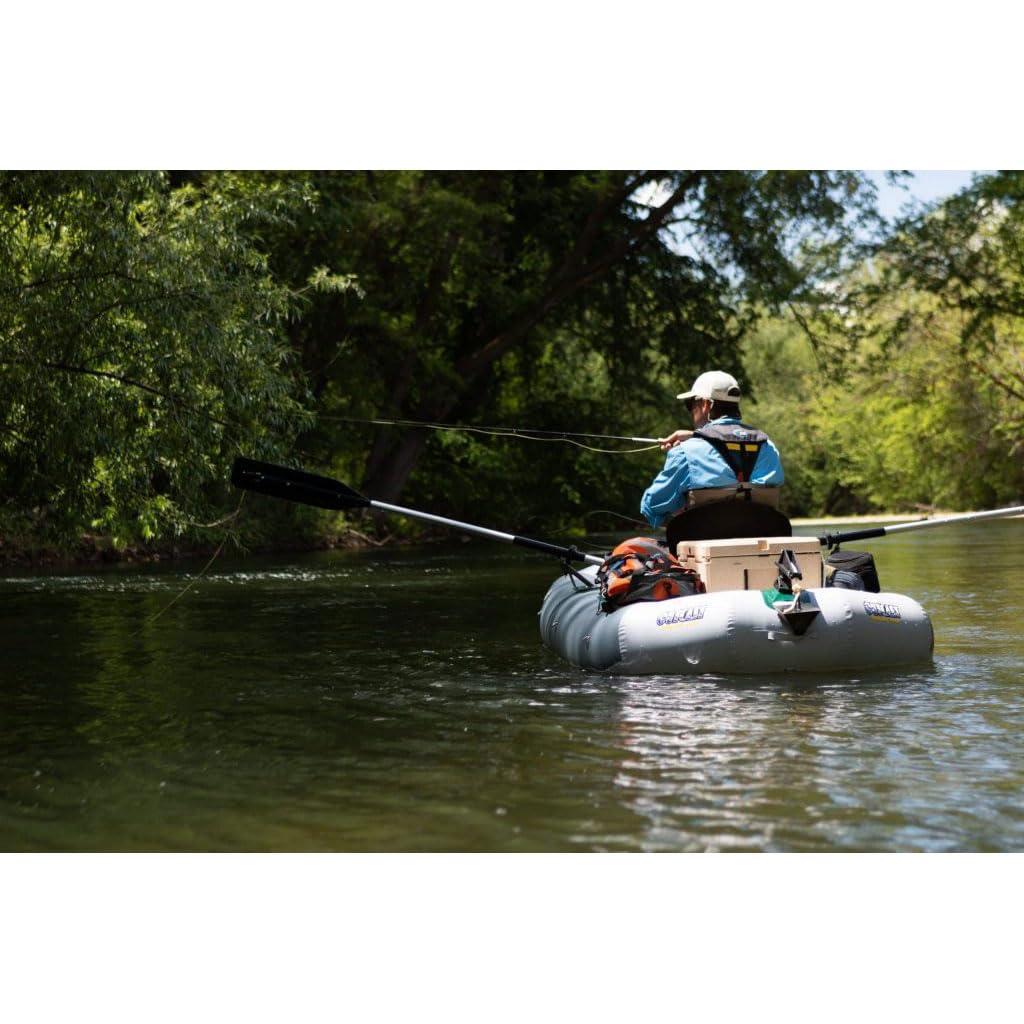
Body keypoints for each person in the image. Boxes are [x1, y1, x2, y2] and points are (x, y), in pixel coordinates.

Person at [641, 370, 786, 544]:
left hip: (700, 554)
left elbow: (652, 506)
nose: (690, 411)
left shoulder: (685, 452)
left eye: (690, 405)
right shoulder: (768, 447)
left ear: (705, 405)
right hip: (759, 552)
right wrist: (696, 437)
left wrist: (681, 506)